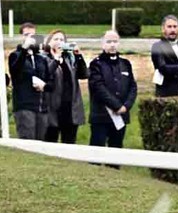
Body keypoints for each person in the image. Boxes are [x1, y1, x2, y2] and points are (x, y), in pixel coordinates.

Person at [87, 31, 136, 159]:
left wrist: (126, 106)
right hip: (102, 115)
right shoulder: (96, 64)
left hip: (121, 116)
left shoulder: (125, 64)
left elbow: (132, 86)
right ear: (103, 44)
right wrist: (116, 106)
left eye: (115, 41)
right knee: (97, 152)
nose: (112, 45)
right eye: (109, 42)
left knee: (116, 150)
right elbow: (98, 87)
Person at [7, 21, 52, 141]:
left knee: (41, 141)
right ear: (21, 37)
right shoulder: (15, 55)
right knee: (28, 139)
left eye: (33, 35)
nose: (30, 38)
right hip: (24, 105)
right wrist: (24, 49)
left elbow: (49, 80)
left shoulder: (41, 59)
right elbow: (15, 71)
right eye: (26, 35)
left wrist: (44, 85)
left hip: (41, 107)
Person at [42, 29, 87, 144]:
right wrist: (56, 59)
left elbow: (84, 74)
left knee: (69, 143)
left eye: (62, 39)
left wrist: (78, 55)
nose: (59, 42)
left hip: (70, 109)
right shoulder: (44, 58)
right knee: (50, 141)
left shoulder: (69, 58)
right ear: (49, 42)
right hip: (52, 109)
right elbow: (45, 75)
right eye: (56, 39)